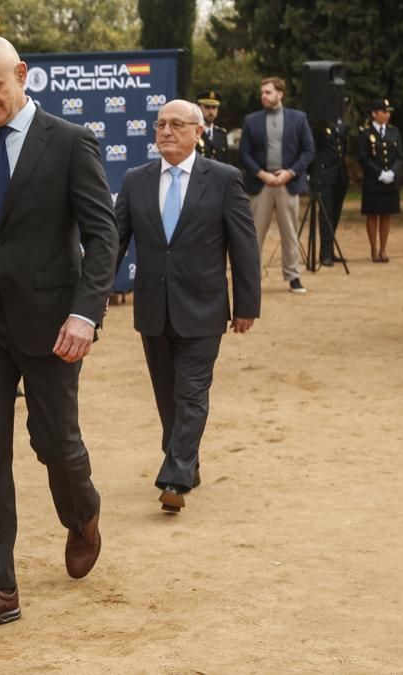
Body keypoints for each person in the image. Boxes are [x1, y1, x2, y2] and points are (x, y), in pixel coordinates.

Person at [0, 36, 117, 637]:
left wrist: (85, 314)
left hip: (52, 326)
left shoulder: (69, 142)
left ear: (22, 75)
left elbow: (101, 235)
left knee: (55, 445)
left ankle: (83, 513)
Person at [114, 100, 261, 513]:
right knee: (167, 395)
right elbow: (114, 241)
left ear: (198, 132)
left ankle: (175, 476)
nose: (165, 131)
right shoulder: (135, 180)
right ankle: (186, 461)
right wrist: (94, 297)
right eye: (160, 124)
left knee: (192, 390)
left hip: (205, 307)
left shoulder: (224, 180)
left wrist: (247, 304)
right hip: (153, 310)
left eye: (176, 125)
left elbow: (244, 246)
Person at [238, 76, 316, 293]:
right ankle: (251, 279)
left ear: (280, 94)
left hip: (287, 182)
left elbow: (308, 151)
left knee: (290, 232)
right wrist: (262, 174)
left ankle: (293, 276)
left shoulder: (298, 118)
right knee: (254, 233)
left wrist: (290, 172)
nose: (264, 96)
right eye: (262, 92)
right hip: (260, 184)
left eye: (268, 92)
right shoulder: (251, 120)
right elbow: (244, 154)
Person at [358, 99, 403, 262]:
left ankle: (384, 249)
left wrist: (392, 172)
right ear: (374, 114)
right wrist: (379, 173)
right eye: (384, 111)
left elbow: (399, 156)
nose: (387, 115)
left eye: (388, 112)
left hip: (390, 180)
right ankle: (374, 249)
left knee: (386, 214)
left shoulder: (394, 131)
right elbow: (363, 158)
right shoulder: (365, 133)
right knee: (372, 214)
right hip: (373, 181)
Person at [311, 116, 349, 267]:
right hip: (324, 174)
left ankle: (330, 249)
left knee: (335, 213)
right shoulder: (319, 124)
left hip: (339, 174)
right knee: (326, 213)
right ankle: (324, 253)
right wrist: (313, 173)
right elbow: (313, 150)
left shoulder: (340, 123)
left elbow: (343, 148)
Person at [195, 90, 230, 164]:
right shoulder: (193, 131)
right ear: (199, 108)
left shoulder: (221, 134)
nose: (211, 111)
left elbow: (226, 163)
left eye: (214, 107)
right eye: (207, 107)